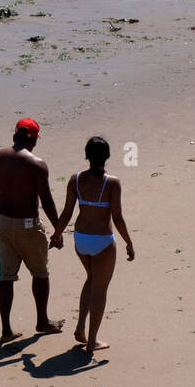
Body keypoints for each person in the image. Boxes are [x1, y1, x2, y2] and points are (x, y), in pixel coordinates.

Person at [0, 118, 64, 343]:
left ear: (14, 136)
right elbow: (46, 201)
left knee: (6, 277)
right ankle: (42, 321)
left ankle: (6, 330)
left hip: (2, 224)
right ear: (35, 141)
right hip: (28, 225)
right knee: (40, 273)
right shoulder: (37, 164)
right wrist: (58, 230)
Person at [50, 136, 134, 353]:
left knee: (91, 278)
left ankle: (80, 327)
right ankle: (92, 341)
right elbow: (117, 217)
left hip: (81, 239)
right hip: (103, 241)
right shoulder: (112, 182)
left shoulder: (75, 179)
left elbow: (67, 213)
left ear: (86, 155)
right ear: (107, 157)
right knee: (100, 289)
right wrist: (129, 242)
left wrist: (56, 235)